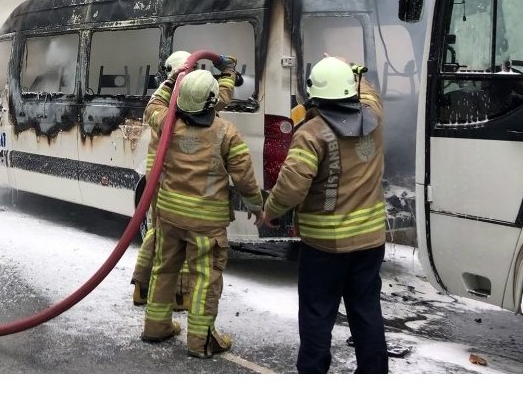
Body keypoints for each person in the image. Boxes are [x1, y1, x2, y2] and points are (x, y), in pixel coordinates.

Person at [258, 55, 389, 373]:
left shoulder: (312, 133)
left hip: (325, 247)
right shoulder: (373, 117)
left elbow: (291, 187)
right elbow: (369, 94)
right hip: (371, 243)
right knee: (366, 311)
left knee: (317, 316)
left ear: (314, 93)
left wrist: (270, 212)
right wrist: (350, 67)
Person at [139, 67, 261, 358]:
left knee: (164, 269)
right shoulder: (226, 132)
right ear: (211, 101)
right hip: (206, 225)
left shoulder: (168, 122)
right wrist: (259, 208)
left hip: (168, 216)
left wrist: (172, 79)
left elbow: (152, 106)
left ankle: (156, 327)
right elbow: (245, 179)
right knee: (205, 279)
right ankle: (200, 341)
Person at [131, 50, 240, 310]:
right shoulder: (192, 100)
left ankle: (142, 288)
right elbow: (222, 96)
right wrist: (228, 72)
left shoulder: (164, 99)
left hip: (159, 174)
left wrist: (172, 81)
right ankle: (179, 296)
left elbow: (152, 106)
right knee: (174, 243)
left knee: (158, 234)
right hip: (173, 176)